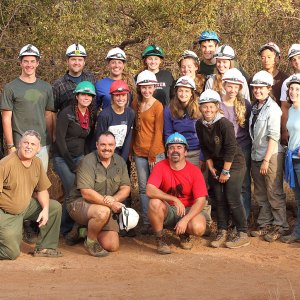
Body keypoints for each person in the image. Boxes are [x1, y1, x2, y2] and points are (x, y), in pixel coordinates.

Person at [195, 89, 250, 249]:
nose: (208, 110)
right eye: (205, 106)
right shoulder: (200, 124)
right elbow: (204, 147)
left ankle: (242, 232)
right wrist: (211, 166)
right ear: (200, 107)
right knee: (218, 199)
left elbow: (231, 148)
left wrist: (226, 171)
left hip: (234, 164)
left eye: (211, 106)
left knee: (232, 198)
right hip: (216, 165)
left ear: (217, 107)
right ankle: (222, 230)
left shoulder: (224, 123)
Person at [66, 131, 131, 257]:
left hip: (105, 206)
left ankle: (83, 231)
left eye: (110, 145)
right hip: (80, 203)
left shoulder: (120, 162)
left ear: (115, 145)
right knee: (102, 212)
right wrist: (112, 204)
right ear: (97, 145)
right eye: (103, 145)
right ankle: (90, 242)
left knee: (112, 245)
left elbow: (126, 188)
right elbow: (86, 193)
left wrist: (115, 198)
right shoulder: (87, 161)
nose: (107, 148)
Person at [0, 130, 62, 260]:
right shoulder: (6, 164)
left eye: (33, 144)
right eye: (26, 143)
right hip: (5, 213)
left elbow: (42, 190)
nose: (29, 146)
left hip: (25, 207)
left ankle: (45, 247)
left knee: (54, 207)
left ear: (38, 148)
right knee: (11, 253)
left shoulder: (37, 162)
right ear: (19, 144)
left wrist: (45, 209)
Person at [147, 132, 207, 254]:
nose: (175, 150)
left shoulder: (194, 171)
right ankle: (160, 239)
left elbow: (201, 201)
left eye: (179, 147)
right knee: (154, 203)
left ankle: (184, 233)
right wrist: (174, 199)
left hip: (188, 209)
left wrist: (185, 219)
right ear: (167, 152)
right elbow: (149, 189)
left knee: (198, 228)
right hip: (168, 209)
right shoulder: (160, 166)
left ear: (185, 152)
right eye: (171, 147)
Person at [52, 81, 96, 238]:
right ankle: (64, 228)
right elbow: (60, 140)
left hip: (80, 157)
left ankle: (77, 225)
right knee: (72, 190)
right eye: (83, 94)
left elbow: (87, 139)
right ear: (77, 96)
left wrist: (86, 160)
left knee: (83, 190)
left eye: (89, 95)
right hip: (63, 158)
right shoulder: (66, 113)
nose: (86, 97)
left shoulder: (90, 114)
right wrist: (71, 164)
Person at [0, 44, 54, 171]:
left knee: (39, 186)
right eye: (25, 61)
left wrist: (50, 142)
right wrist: (10, 146)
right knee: (19, 186)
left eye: (32, 61)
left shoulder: (46, 88)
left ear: (37, 63)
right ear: (20, 63)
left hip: (41, 146)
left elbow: (49, 116)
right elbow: (6, 117)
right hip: (20, 145)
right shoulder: (10, 88)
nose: (29, 65)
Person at [249, 71, 289, 242]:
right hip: (256, 153)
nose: (257, 90)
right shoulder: (255, 107)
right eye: (255, 88)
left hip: (271, 155)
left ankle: (281, 225)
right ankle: (265, 223)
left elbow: (274, 136)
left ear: (268, 88)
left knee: (273, 191)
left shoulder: (273, 109)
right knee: (260, 192)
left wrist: (266, 160)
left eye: (261, 88)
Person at [131, 70, 165, 234]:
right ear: (139, 88)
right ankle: (146, 221)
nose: (146, 90)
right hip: (139, 152)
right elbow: (134, 129)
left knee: (157, 188)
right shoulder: (136, 103)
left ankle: (158, 219)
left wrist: (152, 153)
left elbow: (159, 132)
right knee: (143, 189)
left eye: (149, 87)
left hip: (155, 153)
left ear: (154, 87)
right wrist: (131, 149)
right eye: (143, 87)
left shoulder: (158, 105)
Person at [221, 68, 252, 220]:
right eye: (229, 86)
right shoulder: (218, 104)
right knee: (227, 184)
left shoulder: (245, 103)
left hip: (242, 147)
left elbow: (249, 127)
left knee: (243, 185)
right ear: (224, 85)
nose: (232, 89)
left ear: (240, 87)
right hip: (224, 149)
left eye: (236, 86)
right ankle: (229, 218)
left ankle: (243, 218)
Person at [95, 80, 135, 161]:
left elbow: (128, 138)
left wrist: (123, 160)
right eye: (117, 95)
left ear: (127, 96)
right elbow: (100, 139)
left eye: (123, 95)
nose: (121, 98)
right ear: (112, 97)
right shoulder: (105, 115)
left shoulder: (130, 113)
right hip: (106, 155)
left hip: (122, 155)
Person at [282, 75, 300, 243]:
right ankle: (298, 233)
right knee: (298, 198)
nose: (293, 92)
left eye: (297, 89)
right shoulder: (293, 109)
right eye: (291, 88)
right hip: (293, 158)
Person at [52, 43, 96, 113]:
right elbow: (53, 111)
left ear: (84, 62)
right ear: (67, 61)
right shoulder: (58, 85)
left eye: (80, 60)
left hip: (89, 123)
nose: (76, 62)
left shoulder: (91, 79)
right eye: (73, 59)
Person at [280, 44, 300, 145]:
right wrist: (284, 131)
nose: (297, 61)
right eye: (293, 59)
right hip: (294, 130)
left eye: (299, 57)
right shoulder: (287, 82)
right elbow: (284, 107)